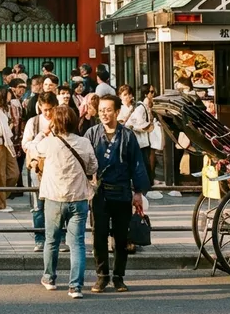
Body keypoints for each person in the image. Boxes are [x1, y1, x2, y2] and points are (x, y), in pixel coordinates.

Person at [27, 106, 97, 298]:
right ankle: (75, 286)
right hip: (79, 198)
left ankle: (49, 277)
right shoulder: (84, 142)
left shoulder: (49, 143)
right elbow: (93, 167)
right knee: (77, 244)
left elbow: (32, 147)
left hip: (54, 198)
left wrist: (44, 131)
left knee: (52, 240)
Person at [85, 95, 151, 292]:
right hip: (100, 193)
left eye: (108, 110)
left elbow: (137, 165)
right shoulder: (92, 133)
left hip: (122, 192)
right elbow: (83, 161)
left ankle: (119, 276)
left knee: (122, 238)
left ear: (116, 112)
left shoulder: (128, 136)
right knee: (99, 235)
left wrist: (138, 192)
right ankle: (102, 275)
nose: (104, 113)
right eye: (101, 110)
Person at [23, 92, 59, 251]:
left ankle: (59, 237)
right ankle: (39, 238)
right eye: (45, 110)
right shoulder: (33, 122)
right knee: (38, 205)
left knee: (58, 204)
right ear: (39, 107)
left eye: (51, 109)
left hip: (58, 167)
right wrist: (42, 135)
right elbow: (26, 145)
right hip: (38, 167)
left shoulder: (61, 121)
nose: (48, 113)